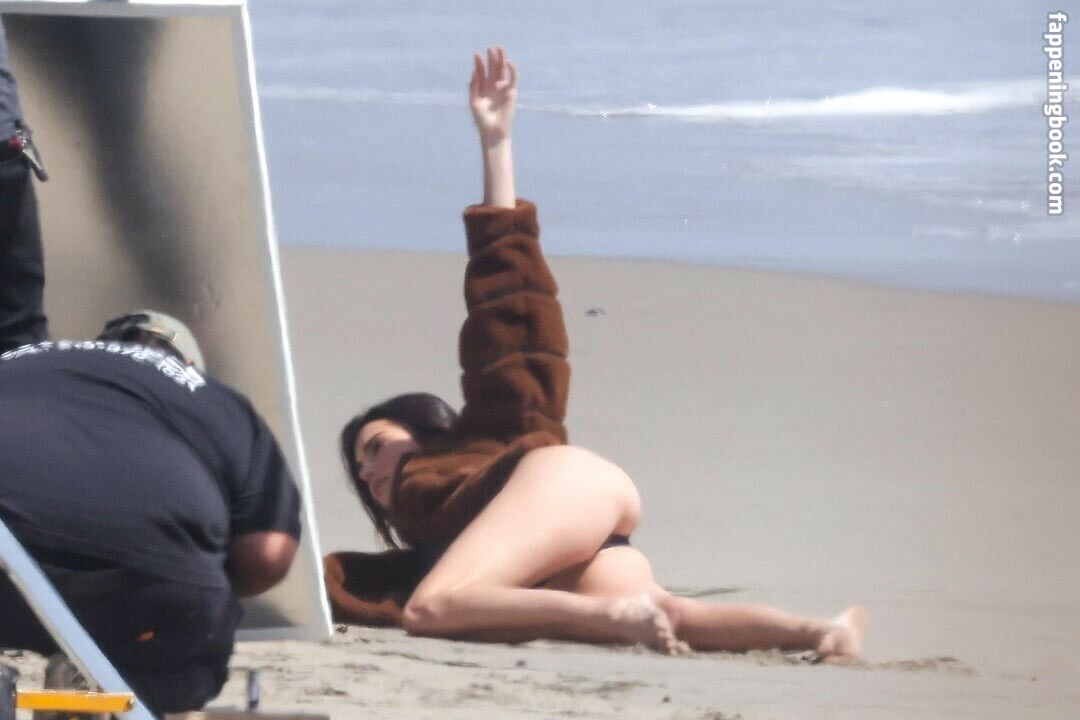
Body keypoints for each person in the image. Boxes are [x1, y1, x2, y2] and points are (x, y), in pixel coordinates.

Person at [325, 47, 866, 660]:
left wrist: (496, 144)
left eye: (376, 447)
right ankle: (822, 631)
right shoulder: (447, 540)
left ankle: (617, 618)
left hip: (560, 482)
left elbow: (512, 323)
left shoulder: (479, 443)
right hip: (576, 533)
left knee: (433, 609)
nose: (368, 472)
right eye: (360, 471)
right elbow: (343, 583)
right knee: (672, 614)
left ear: (429, 430)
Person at [0, 20, 303, 713]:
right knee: (191, 633)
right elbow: (268, 558)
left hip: (7, 564)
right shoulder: (216, 403)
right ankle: (111, 678)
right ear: (186, 365)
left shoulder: (28, 366)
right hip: (150, 590)